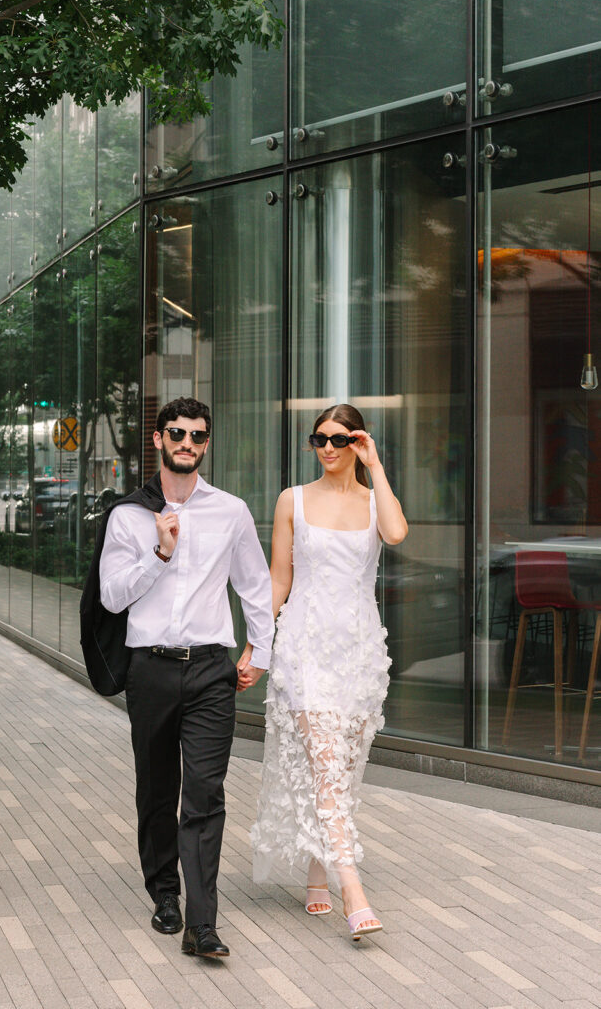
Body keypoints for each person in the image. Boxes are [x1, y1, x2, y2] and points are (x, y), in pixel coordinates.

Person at [99, 397, 274, 959]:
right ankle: (164, 893)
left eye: (197, 435)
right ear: (157, 438)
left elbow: (256, 586)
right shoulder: (128, 515)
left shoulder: (231, 511)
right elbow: (111, 595)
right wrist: (160, 552)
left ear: (206, 444)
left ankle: (203, 922)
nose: (187, 443)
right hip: (149, 667)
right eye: (177, 432)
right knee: (156, 788)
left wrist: (259, 652)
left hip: (209, 671)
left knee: (204, 793)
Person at [247, 403, 408, 941]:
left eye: (341, 438)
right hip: (304, 650)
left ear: (358, 442)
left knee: (347, 768)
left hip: (361, 653)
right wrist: (255, 646)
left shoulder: (371, 501)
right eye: (320, 439)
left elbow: (397, 532)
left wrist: (377, 467)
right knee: (324, 768)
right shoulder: (291, 499)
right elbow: (278, 580)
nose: (330, 448)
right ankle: (352, 891)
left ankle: (318, 868)